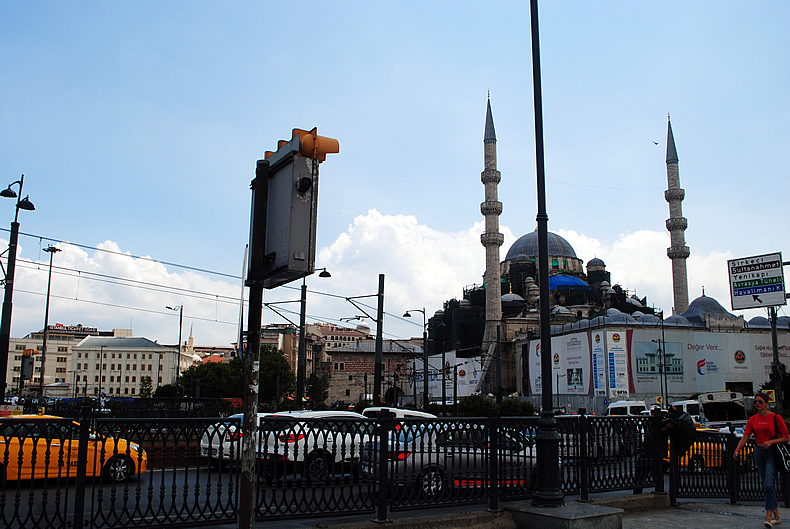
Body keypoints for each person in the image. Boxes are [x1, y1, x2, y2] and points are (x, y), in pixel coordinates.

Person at [734, 392, 789, 528]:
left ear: (766, 404)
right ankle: (776, 515)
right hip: (759, 452)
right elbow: (746, 436)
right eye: (756, 402)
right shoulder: (753, 419)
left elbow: (786, 437)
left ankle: (768, 517)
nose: (757, 404)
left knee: (769, 485)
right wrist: (737, 449)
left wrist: (771, 442)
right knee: (766, 484)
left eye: (760, 402)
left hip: (772, 452)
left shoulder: (776, 418)